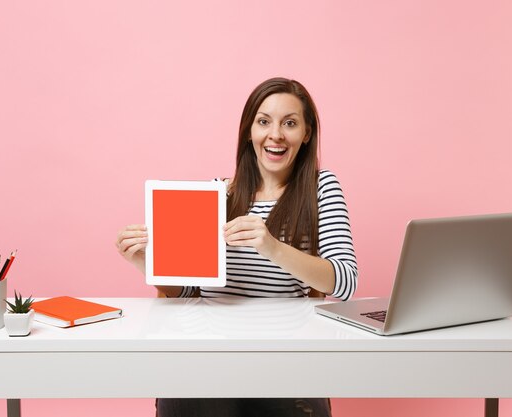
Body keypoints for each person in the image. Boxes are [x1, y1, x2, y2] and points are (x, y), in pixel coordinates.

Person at [115, 77, 358, 417]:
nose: (276, 134)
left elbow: (345, 282)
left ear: (306, 133)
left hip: (283, 361)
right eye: (264, 121)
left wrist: (272, 247)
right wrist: (147, 263)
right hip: (207, 358)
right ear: (249, 131)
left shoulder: (320, 188)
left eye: (289, 123)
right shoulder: (218, 194)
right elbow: (187, 291)